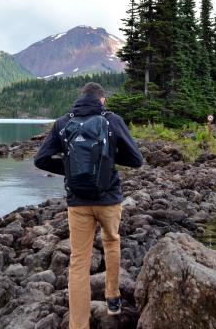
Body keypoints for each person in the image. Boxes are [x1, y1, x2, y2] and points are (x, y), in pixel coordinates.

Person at [34, 82, 143, 329]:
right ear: (102, 100)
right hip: (109, 199)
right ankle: (112, 298)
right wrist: (109, 162)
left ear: (80, 98)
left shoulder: (63, 122)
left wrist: (70, 171)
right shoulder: (112, 120)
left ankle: (78, 325)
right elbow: (137, 160)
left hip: (78, 202)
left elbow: (40, 159)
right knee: (112, 242)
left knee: (79, 262)